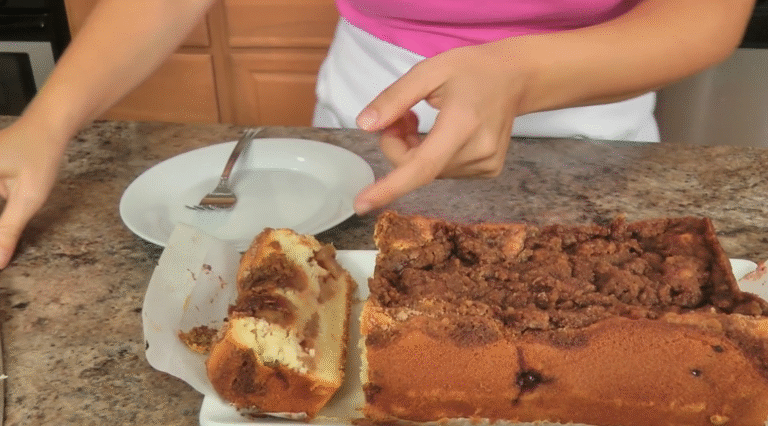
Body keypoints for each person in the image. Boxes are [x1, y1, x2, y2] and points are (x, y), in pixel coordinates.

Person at [0, 0, 755, 268]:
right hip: (370, 111)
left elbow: (705, 14)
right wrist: (46, 122)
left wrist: (520, 73)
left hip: (591, 110)